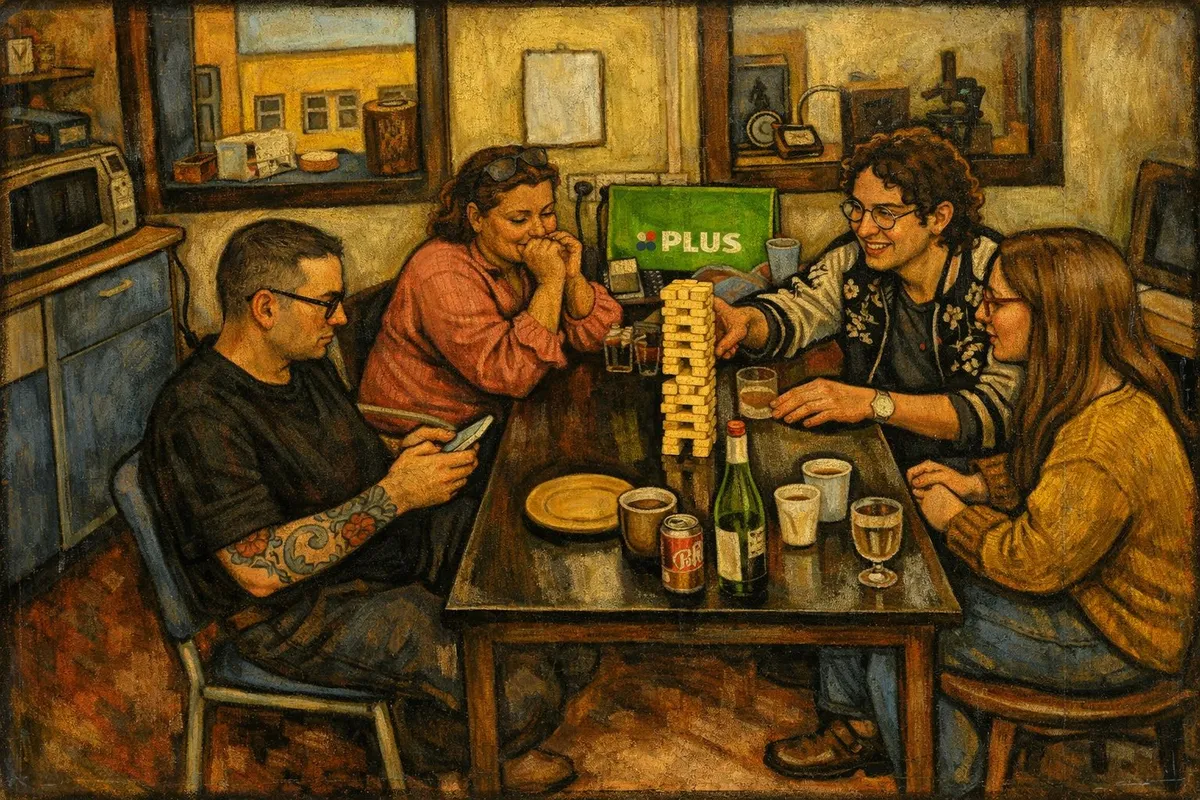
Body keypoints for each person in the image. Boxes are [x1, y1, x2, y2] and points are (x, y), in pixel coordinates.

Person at [142, 219, 592, 793]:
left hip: (375, 550)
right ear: (265, 307)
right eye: (326, 303)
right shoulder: (199, 413)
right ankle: (456, 761)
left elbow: (333, 449)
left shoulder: (300, 364)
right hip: (296, 611)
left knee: (555, 587)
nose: (340, 319)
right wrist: (395, 494)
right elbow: (257, 568)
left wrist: (398, 452)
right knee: (523, 687)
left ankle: (474, 736)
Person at [764, 228, 1197, 796]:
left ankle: (947, 784)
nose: (981, 315)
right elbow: (1047, 478)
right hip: (1089, 599)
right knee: (880, 583)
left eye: (997, 303)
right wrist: (977, 484)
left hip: (1115, 639)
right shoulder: (1096, 391)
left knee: (900, 634)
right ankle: (862, 726)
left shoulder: (1103, 440)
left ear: (1056, 316)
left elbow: (1034, 563)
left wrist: (954, 518)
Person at [714, 127, 1022, 472]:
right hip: (878, 454)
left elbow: (999, 412)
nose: (863, 229)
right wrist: (746, 322)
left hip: (967, 475)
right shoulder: (852, 261)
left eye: (885, 213)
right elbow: (799, 309)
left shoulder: (996, 276)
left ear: (939, 217)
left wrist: (874, 403)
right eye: (858, 209)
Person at [358, 145, 622, 438]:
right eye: (519, 219)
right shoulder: (442, 271)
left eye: (547, 213)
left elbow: (604, 337)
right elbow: (513, 375)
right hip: (429, 430)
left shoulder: (522, 257)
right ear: (476, 218)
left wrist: (571, 277)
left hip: (492, 412)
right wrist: (550, 284)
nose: (539, 230)